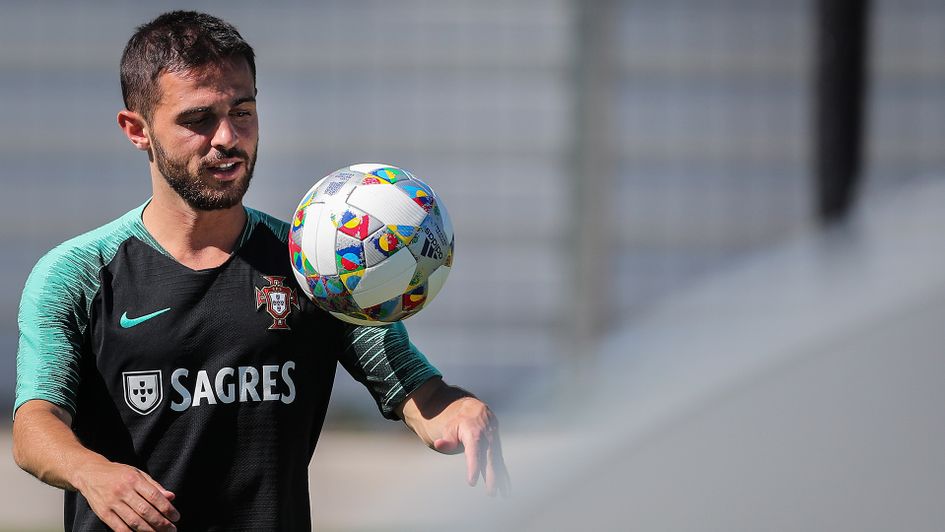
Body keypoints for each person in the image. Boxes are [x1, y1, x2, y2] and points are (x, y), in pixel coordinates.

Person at [12, 10, 509, 531]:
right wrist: (93, 471)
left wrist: (459, 412)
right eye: (198, 119)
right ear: (137, 130)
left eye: (242, 111)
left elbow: (415, 390)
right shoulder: (79, 273)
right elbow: (34, 428)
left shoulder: (316, 265)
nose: (227, 136)